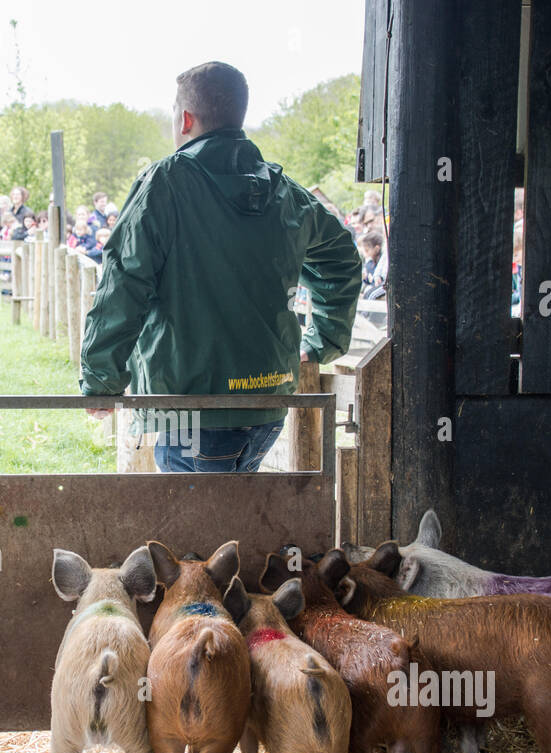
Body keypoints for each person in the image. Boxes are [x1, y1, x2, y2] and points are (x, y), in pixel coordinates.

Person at [79, 61, 361, 474]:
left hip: (190, 406)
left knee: (196, 534)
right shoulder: (285, 192)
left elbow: (123, 283)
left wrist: (101, 382)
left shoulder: (165, 185)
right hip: (268, 402)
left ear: (186, 119)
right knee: (231, 522)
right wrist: (323, 341)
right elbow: (343, 258)